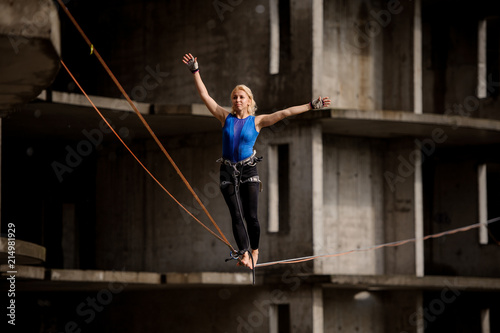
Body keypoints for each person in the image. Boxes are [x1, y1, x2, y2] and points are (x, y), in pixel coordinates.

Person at [182, 53, 331, 269]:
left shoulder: (258, 121)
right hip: (227, 170)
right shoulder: (225, 117)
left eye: (242, 97)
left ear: (249, 101)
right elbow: (205, 96)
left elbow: (285, 113)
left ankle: (254, 251)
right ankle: (243, 253)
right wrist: (195, 71)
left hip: (248, 169)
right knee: (235, 213)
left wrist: (311, 106)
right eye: (234, 97)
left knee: (251, 215)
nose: (237, 100)